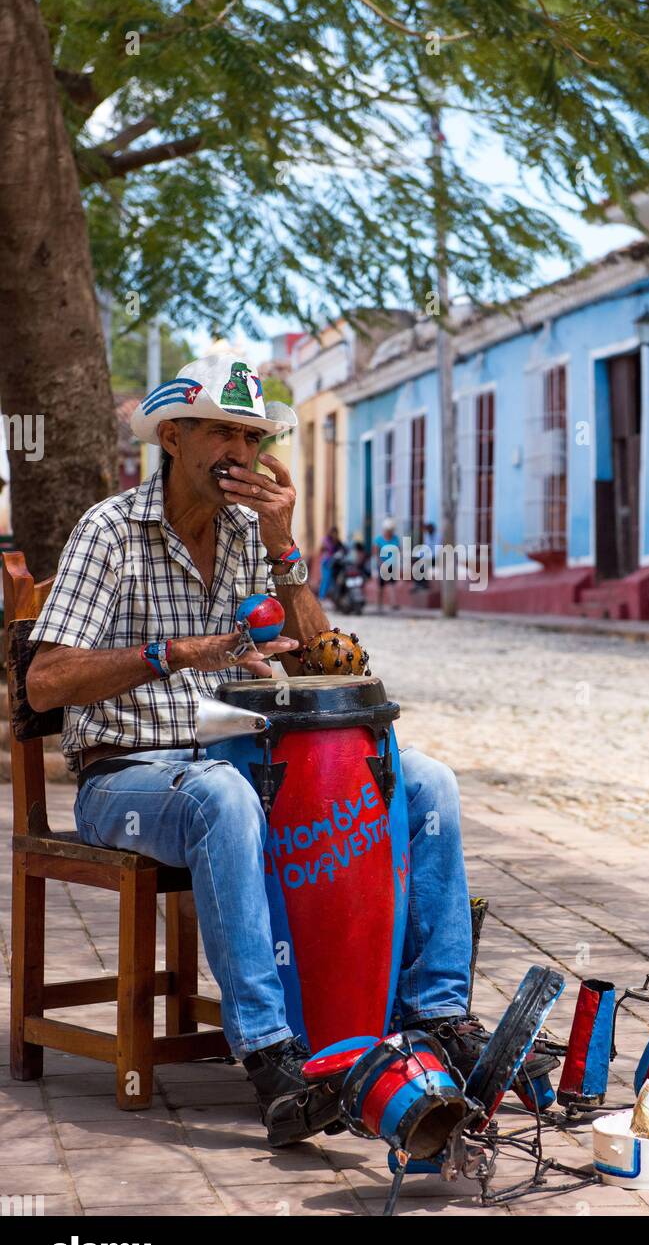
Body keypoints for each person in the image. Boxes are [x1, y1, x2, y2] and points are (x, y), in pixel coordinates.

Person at [25, 354, 548, 1147]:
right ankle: (274, 1057)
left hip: (245, 766)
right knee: (221, 798)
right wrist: (170, 655)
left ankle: (438, 1018)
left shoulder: (247, 534)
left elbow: (322, 665)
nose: (241, 450)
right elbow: (43, 682)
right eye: (223, 432)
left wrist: (283, 545)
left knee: (427, 783)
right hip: (128, 780)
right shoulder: (109, 531)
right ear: (173, 436)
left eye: (253, 434)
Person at [373, 516, 400, 612]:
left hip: (392, 565)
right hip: (382, 564)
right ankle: (378, 604)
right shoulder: (379, 539)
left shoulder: (395, 539)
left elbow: (398, 550)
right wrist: (380, 563)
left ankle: (393, 603)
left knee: (391, 584)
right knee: (381, 586)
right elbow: (376, 552)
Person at [317, 525, 343, 602]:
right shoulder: (327, 540)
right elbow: (324, 548)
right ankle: (321, 598)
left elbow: (342, 548)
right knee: (325, 580)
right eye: (333, 533)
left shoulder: (337, 541)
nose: (334, 535)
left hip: (334, 564)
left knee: (332, 581)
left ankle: (331, 598)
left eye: (336, 533)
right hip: (326, 563)